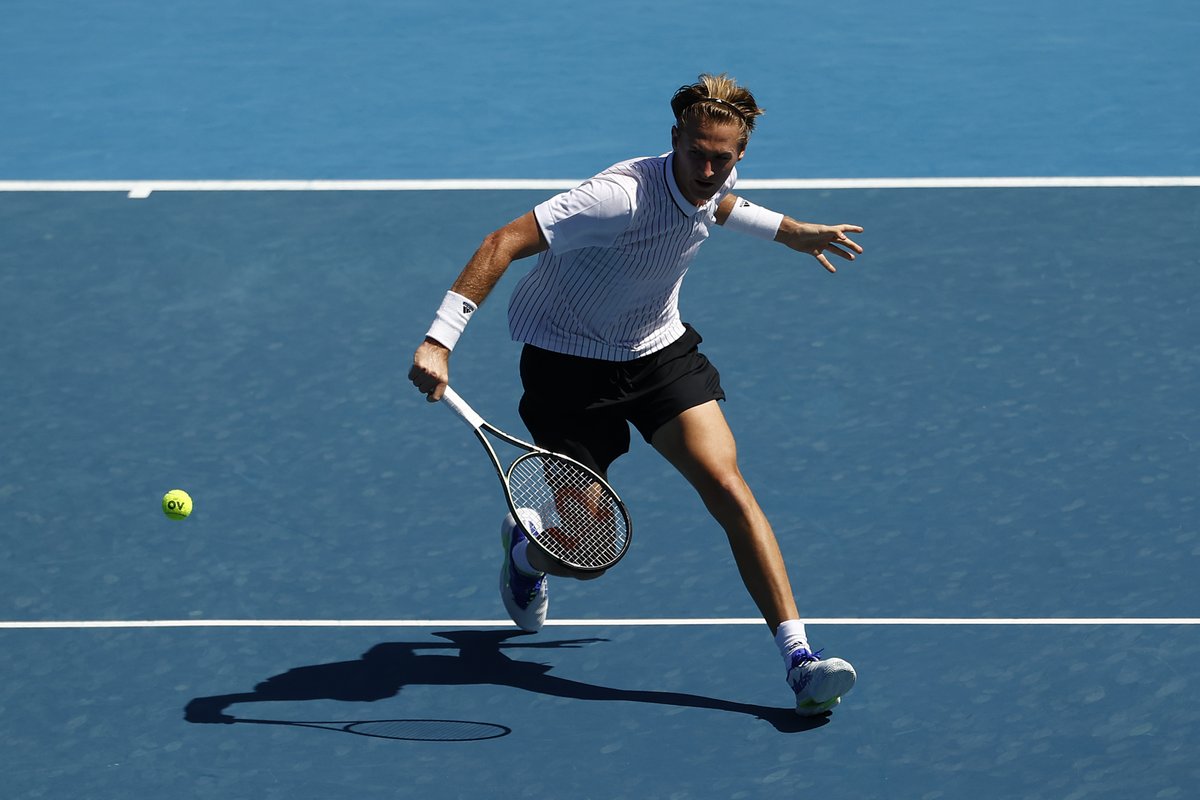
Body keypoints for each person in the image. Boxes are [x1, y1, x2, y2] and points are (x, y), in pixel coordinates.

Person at [410, 73, 863, 716]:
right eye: (697, 152)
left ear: (741, 154)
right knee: (584, 554)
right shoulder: (614, 199)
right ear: (674, 137)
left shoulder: (714, 176)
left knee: (727, 485)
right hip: (567, 368)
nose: (708, 168)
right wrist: (439, 340)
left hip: (657, 354)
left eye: (723, 158)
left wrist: (793, 232)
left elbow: (721, 206)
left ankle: (800, 661)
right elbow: (502, 241)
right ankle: (526, 551)